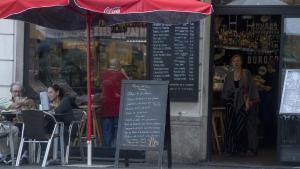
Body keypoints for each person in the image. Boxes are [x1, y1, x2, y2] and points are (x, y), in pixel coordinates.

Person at [222, 54, 260, 156]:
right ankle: (230, 149)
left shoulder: (246, 73)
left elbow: (249, 88)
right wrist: (229, 100)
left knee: (241, 124)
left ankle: (243, 148)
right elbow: (225, 92)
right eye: (234, 61)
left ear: (241, 62)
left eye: (238, 61)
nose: (236, 63)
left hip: (244, 101)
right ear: (231, 63)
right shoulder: (229, 75)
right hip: (231, 103)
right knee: (229, 124)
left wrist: (248, 101)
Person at [100, 58, 128, 147]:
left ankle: (107, 147)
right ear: (117, 65)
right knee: (117, 127)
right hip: (117, 105)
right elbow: (130, 84)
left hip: (105, 105)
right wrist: (124, 73)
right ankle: (115, 147)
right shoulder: (119, 74)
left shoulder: (103, 74)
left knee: (107, 127)